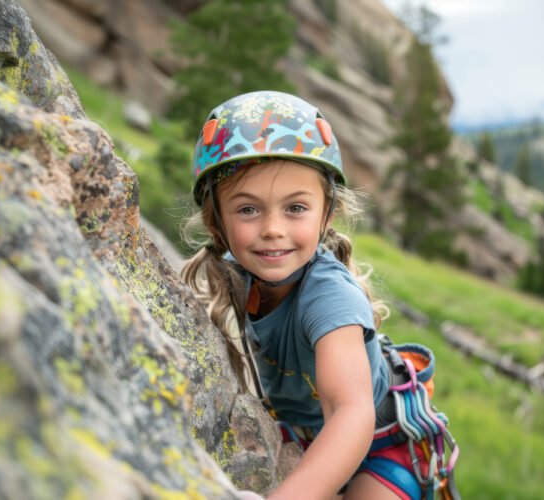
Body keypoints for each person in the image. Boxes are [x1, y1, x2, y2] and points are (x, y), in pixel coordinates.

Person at [182, 91, 458, 500]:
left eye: (295, 208)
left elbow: (351, 414)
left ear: (327, 212)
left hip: (381, 444)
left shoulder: (329, 298)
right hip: (303, 435)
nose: (273, 228)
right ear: (216, 219)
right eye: (248, 210)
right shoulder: (235, 273)